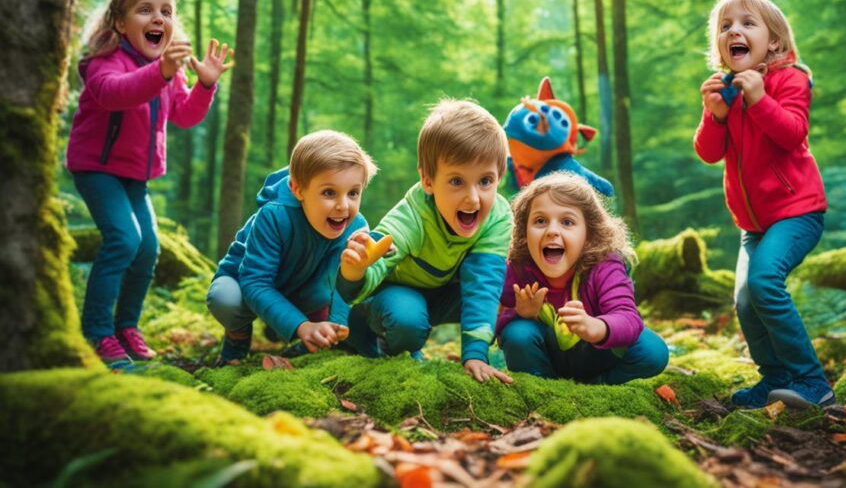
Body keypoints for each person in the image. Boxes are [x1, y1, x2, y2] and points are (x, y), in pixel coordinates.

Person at [67, 0, 233, 365]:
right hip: (97, 167)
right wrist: (159, 73)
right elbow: (114, 94)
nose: (158, 18)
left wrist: (204, 85)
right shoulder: (104, 63)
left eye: (166, 11)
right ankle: (96, 331)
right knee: (124, 239)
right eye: (145, 10)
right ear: (120, 23)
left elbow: (184, 116)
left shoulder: (168, 69)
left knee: (147, 248)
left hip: (135, 176)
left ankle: (126, 326)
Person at [693, 0, 831, 409]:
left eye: (747, 23)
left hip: (798, 212)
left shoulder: (791, 79)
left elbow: (791, 134)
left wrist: (759, 98)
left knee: (764, 283)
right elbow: (708, 152)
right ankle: (774, 378)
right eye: (725, 26)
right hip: (751, 224)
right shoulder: (727, 91)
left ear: (773, 42)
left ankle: (813, 382)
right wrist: (714, 113)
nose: (734, 30)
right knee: (745, 302)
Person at [338, 99, 514, 384]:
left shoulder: (497, 217)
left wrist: (474, 354)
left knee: (509, 293)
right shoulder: (413, 215)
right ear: (428, 180)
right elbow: (376, 259)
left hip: (445, 292)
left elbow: (483, 285)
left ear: (500, 176)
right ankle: (380, 340)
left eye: (485, 181)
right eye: (456, 182)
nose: (473, 198)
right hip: (396, 294)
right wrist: (355, 270)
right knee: (408, 322)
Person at [206, 130, 379, 366]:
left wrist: (337, 327)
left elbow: (343, 285)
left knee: (363, 285)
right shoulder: (274, 216)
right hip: (247, 282)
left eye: (353, 193)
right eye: (329, 192)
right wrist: (301, 326)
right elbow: (255, 281)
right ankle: (237, 338)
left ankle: (314, 339)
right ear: (298, 189)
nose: (343, 206)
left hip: (306, 288)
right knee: (225, 299)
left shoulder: (356, 227)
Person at [496, 173, 668, 384]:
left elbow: (628, 317)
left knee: (653, 350)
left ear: (589, 234)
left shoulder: (605, 265)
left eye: (567, 222)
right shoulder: (519, 267)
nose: (552, 231)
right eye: (540, 221)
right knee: (517, 334)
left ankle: (597, 387)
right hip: (548, 357)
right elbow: (492, 317)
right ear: (523, 231)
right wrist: (520, 313)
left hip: (597, 354)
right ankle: (544, 389)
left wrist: (596, 327)